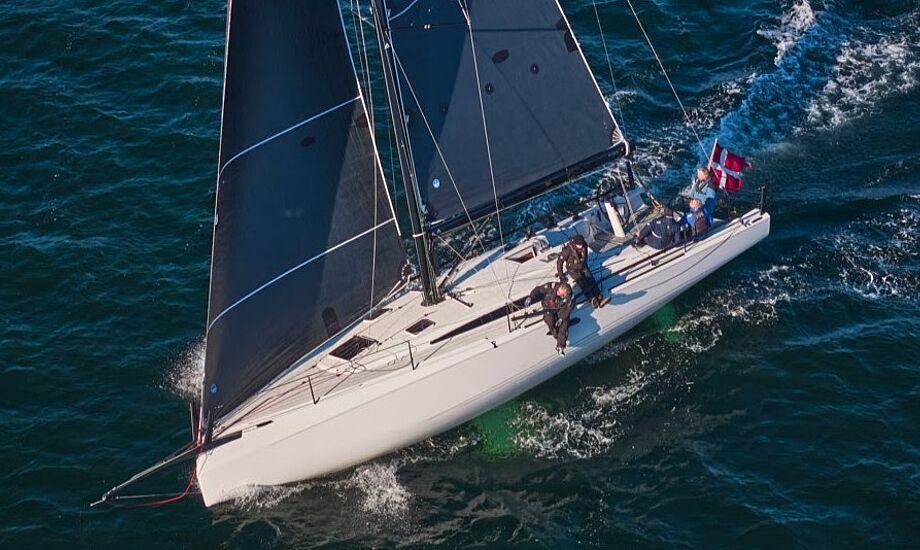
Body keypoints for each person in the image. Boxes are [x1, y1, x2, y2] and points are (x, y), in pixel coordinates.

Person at [556, 235, 609, 308]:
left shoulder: (584, 245)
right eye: (579, 244)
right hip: (572, 269)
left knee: (591, 279)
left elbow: (584, 257)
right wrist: (561, 275)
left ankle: (599, 296)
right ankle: (591, 298)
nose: (581, 246)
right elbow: (559, 262)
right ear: (575, 244)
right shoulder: (567, 250)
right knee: (583, 283)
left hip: (583, 266)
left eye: (581, 244)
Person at [526, 281, 574, 353]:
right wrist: (530, 297)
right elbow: (538, 289)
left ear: (564, 295)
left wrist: (561, 318)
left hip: (560, 309)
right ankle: (556, 335)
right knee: (550, 321)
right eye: (558, 291)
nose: (558, 293)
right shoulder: (551, 287)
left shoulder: (570, 297)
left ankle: (561, 345)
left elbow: (568, 309)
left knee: (565, 322)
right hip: (548, 307)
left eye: (561, 294)